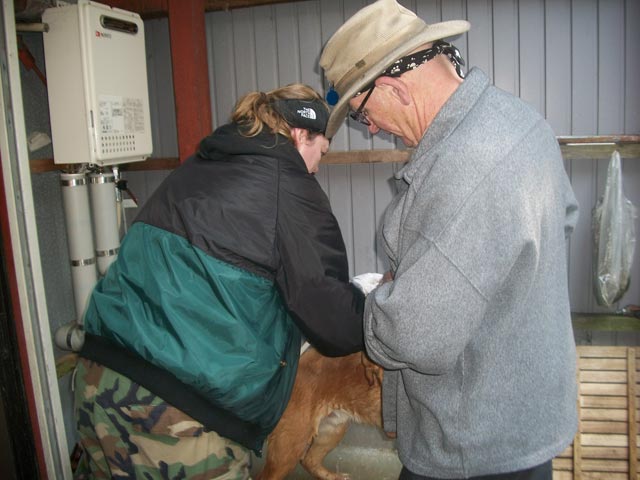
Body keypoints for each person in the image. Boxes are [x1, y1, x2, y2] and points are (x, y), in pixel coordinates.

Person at [319, 1, 579, 479]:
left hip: (471, 445)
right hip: (517, 421)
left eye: (361, 113)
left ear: (393, 87)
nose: (371, 127)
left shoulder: (464, 167)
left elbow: (415, 335)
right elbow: (562, 222)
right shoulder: (520, 122)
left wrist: (381, 297)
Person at [73, 83, 365, 479]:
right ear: (300, 134)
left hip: (96, 380)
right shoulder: (290, 183)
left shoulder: (198, 167)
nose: (316, 166)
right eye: (321, 152)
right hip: (176, 414)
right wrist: (372, 302)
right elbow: (333, 323)